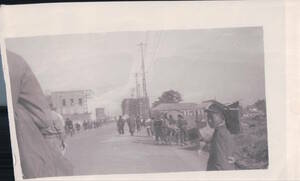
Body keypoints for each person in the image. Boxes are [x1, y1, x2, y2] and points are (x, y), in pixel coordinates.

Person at [6, 50, 73, 178]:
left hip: (40, 138)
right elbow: (54, 127)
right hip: (47, 138)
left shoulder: (11, 61)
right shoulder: (55, 116)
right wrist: (62, 142)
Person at [205, 102, 236, 171]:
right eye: (208, 117)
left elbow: (221, 163)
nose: (209, 120)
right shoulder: (221, 131)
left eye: (211, 117)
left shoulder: (220, 134)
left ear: (222, 117)